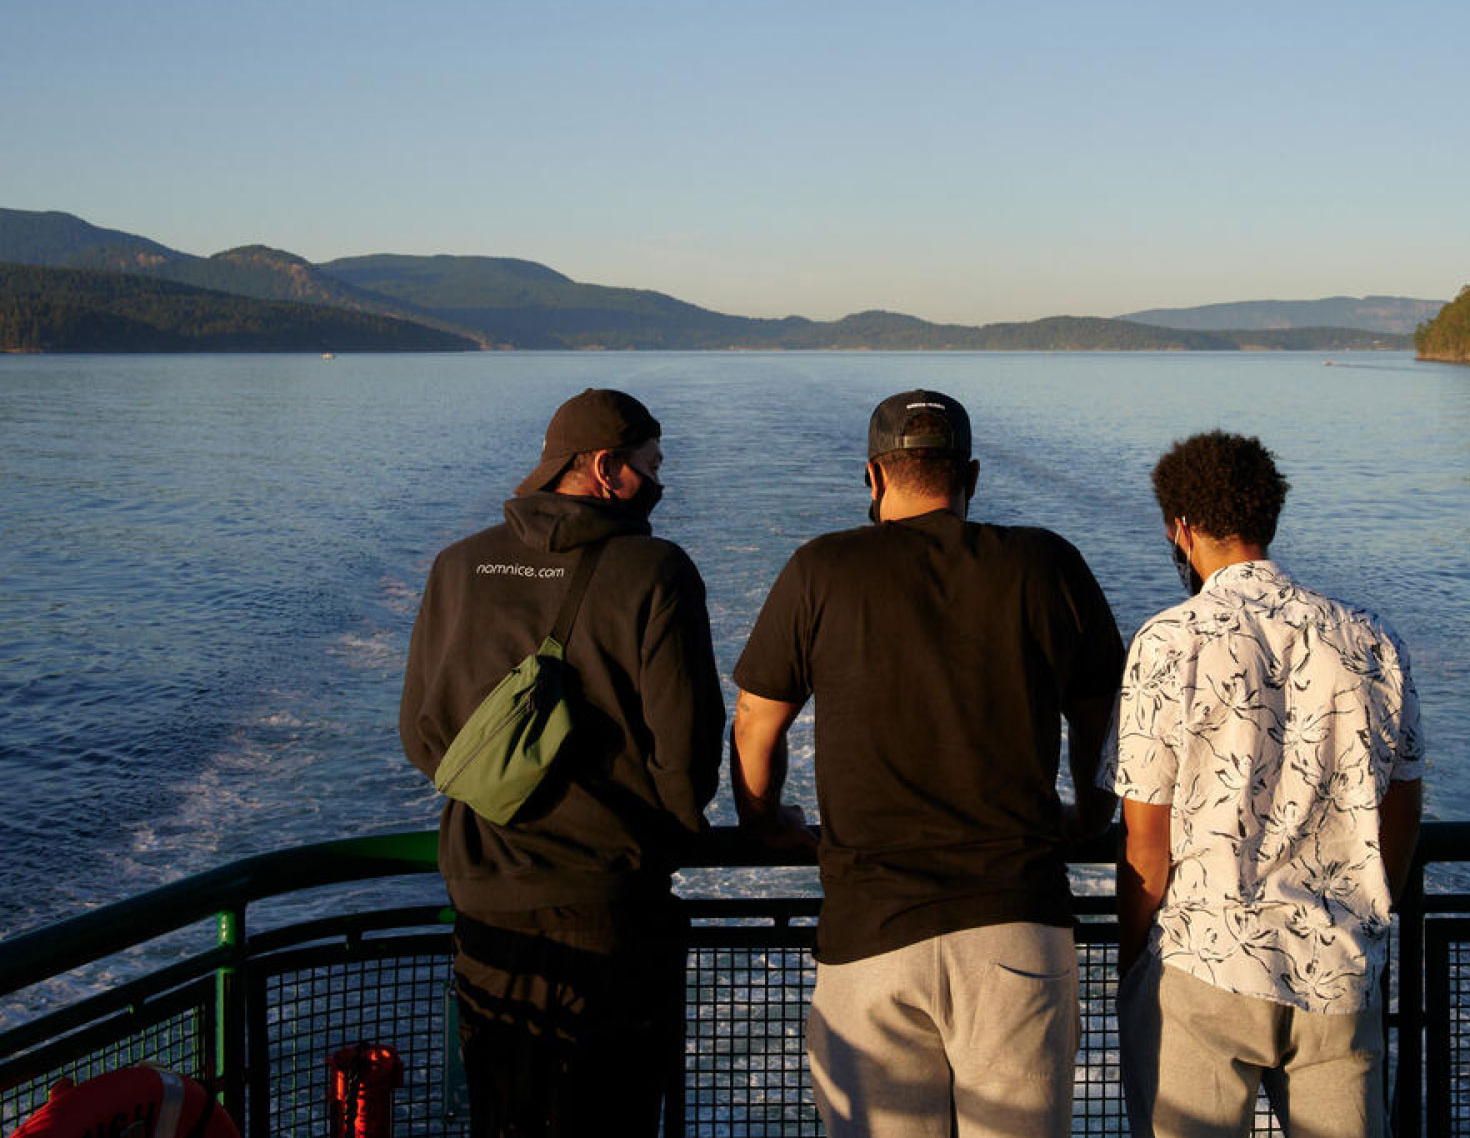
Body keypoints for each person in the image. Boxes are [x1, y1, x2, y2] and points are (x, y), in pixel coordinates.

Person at [731, 389, 1123, 1138]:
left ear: (873, 479)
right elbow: (1104, 721)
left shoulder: (822, 567)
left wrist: (763, 820)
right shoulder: (1046, 562)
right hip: (1018, 921)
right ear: (970, 475)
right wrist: (1090, 815)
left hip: (871, 933)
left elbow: (756, 722)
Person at [399, 387, 724, 1138]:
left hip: (485, 903)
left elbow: (422, 735)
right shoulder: (656, 571)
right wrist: (662, 838)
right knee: (611, 1115)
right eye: (651, 465)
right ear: (607, 468)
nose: (658, 481)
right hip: (609, 905)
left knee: (504, 1115)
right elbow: (687, 754)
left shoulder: (456, 565)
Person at [1102, 430, 1423, 1138]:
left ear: (1180, 529)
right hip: (1338, 974)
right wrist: (1371, 913)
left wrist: (1132, 965)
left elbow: (1145, 840)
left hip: (1203, 970)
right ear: (1267, 519)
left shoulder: (1167, 641)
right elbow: (1401, 807)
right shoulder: (1371, 638)